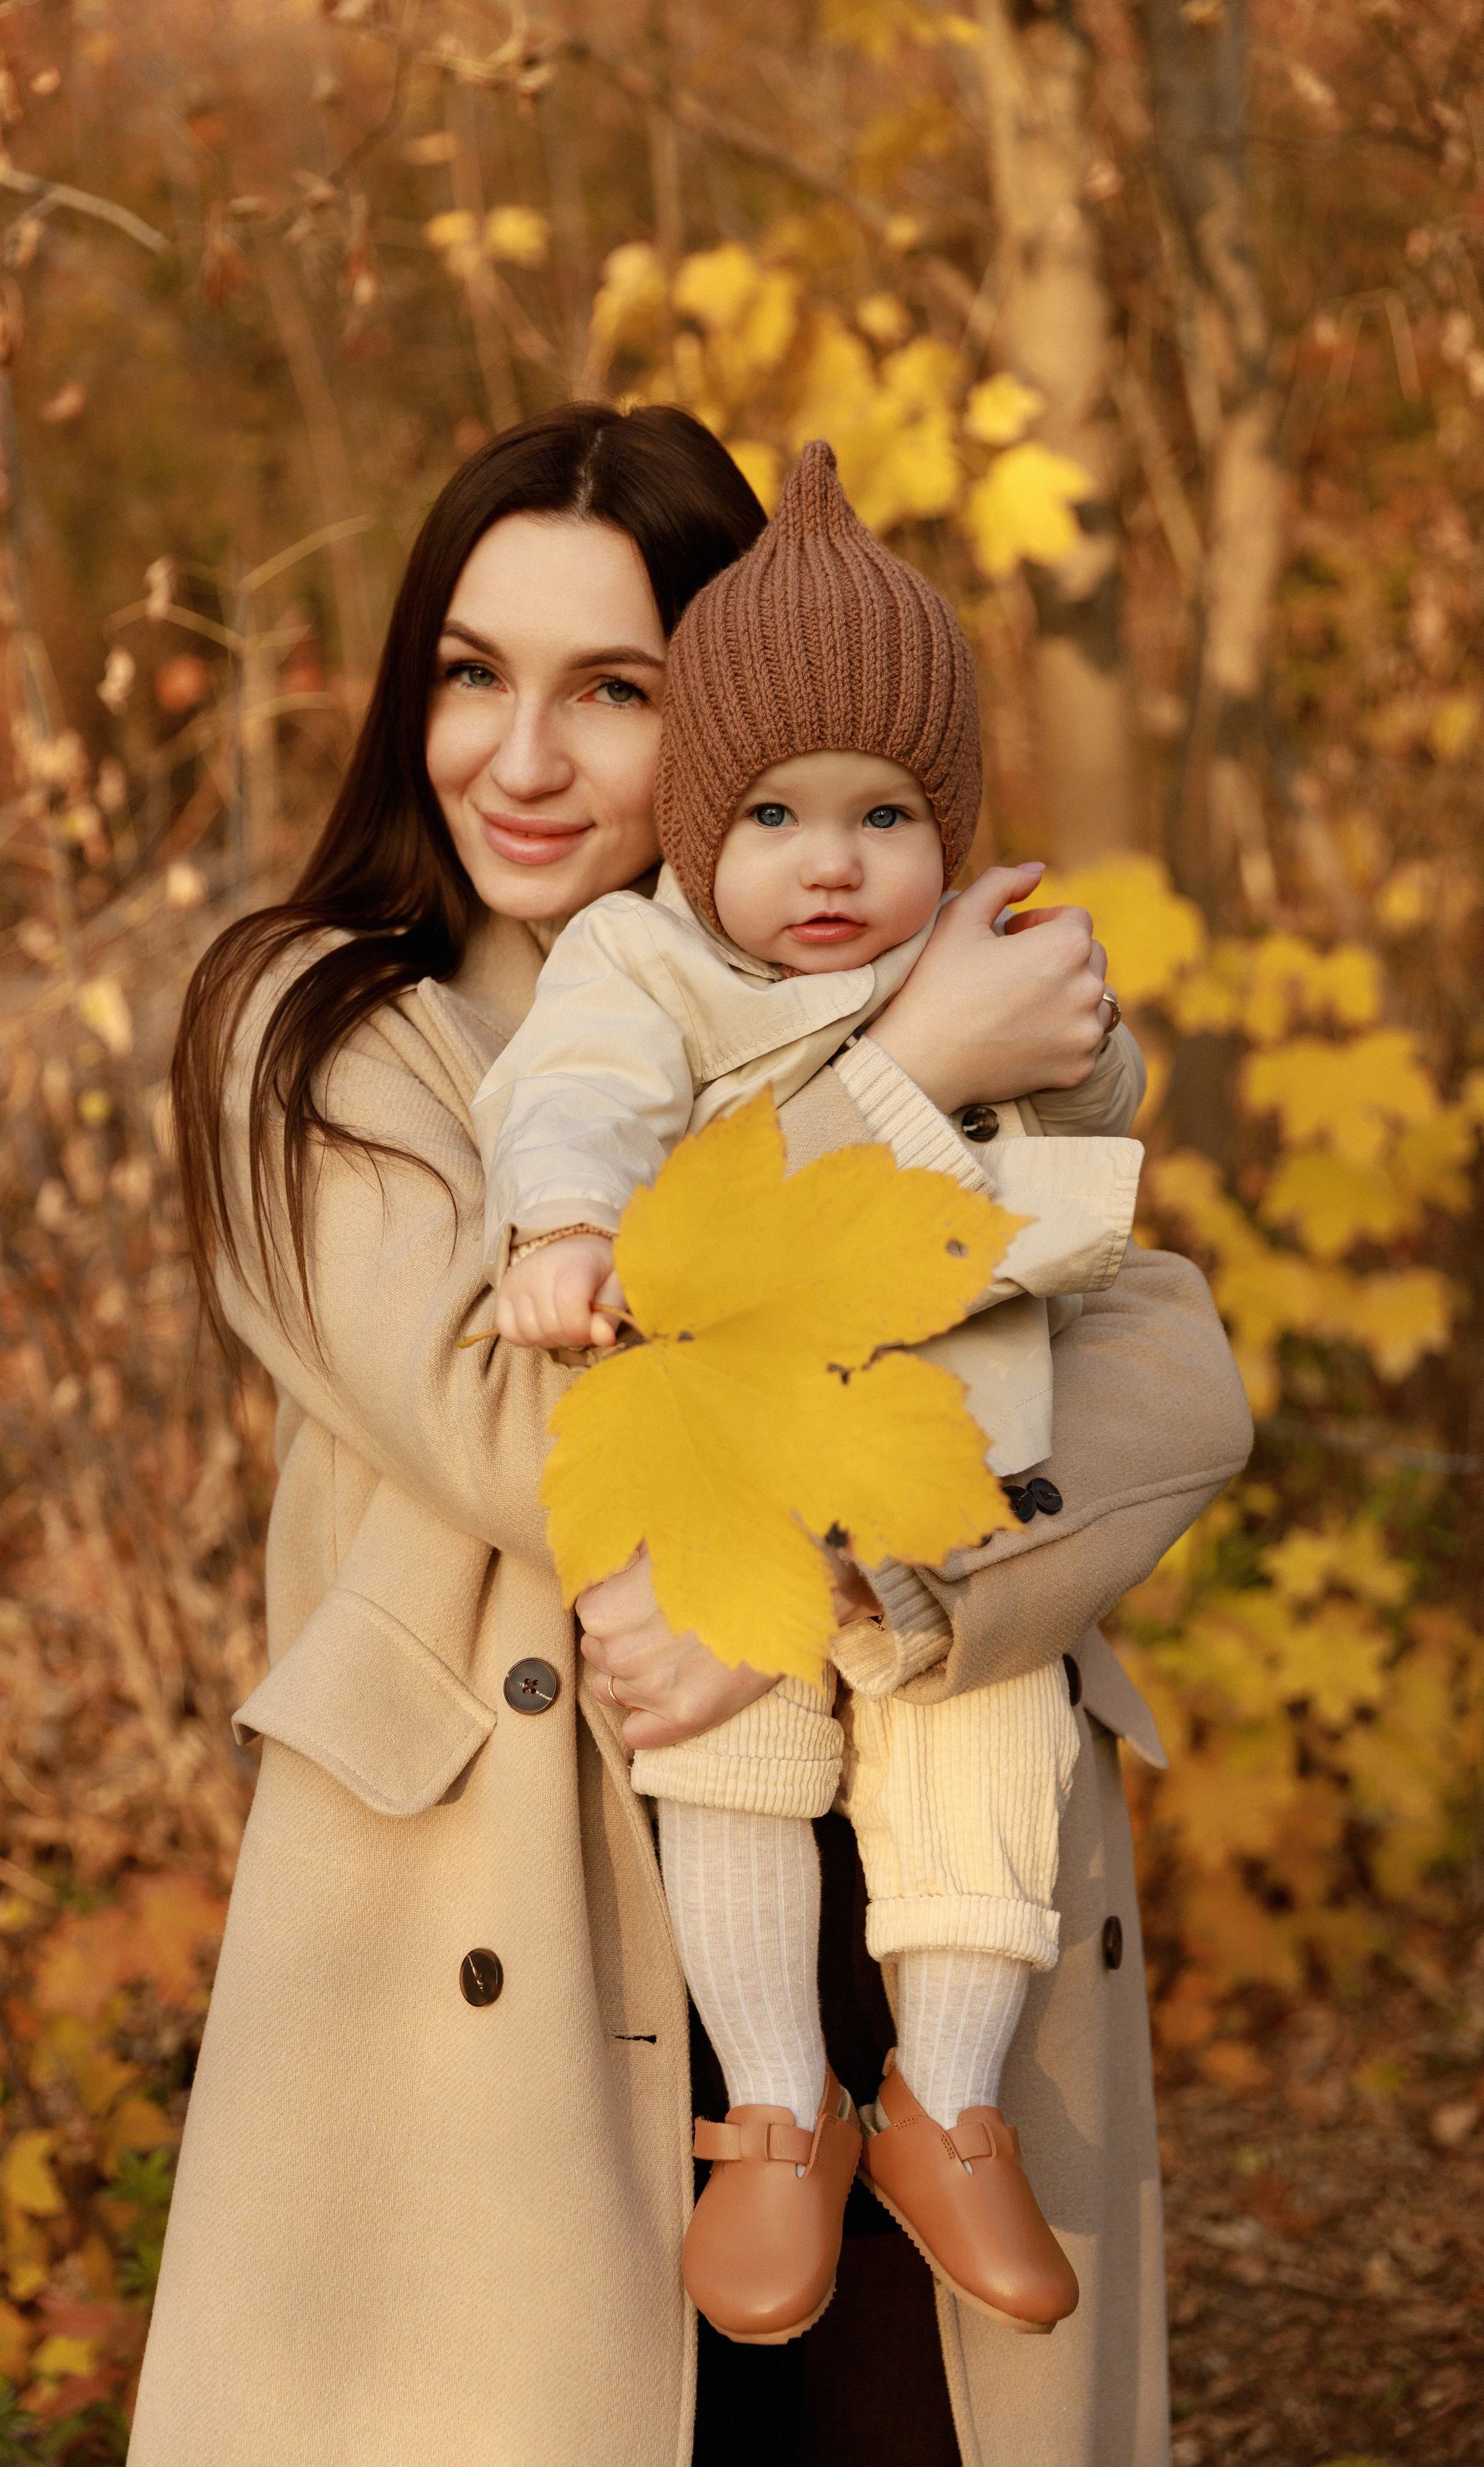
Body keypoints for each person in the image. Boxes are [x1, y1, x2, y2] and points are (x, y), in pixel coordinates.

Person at [142, 401, 1252, 2467]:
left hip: (905, 1943)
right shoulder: (321, 1033)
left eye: (615, 691)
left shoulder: (942, 984)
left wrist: (833, 1593)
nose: (522, 758)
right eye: (472, 674)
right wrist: (909, 1082)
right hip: (530, 1994)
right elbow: (511, 1421)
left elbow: (1169, 1366)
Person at [474, 441, 1145, 2345]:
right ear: (699, 830)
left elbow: (1110, 1115)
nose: (829, 865)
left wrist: (1080, 1043)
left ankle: (950, 2102)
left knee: (987, 1742)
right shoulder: (648, 959)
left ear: (953, 826)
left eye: (882, 817)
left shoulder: (986, 950)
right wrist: (566, 1224)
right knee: (731, 1764)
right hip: (743, 1454)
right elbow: (577, 1089)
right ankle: (779, 2107)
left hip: (949, 1480)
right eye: (770, 814)